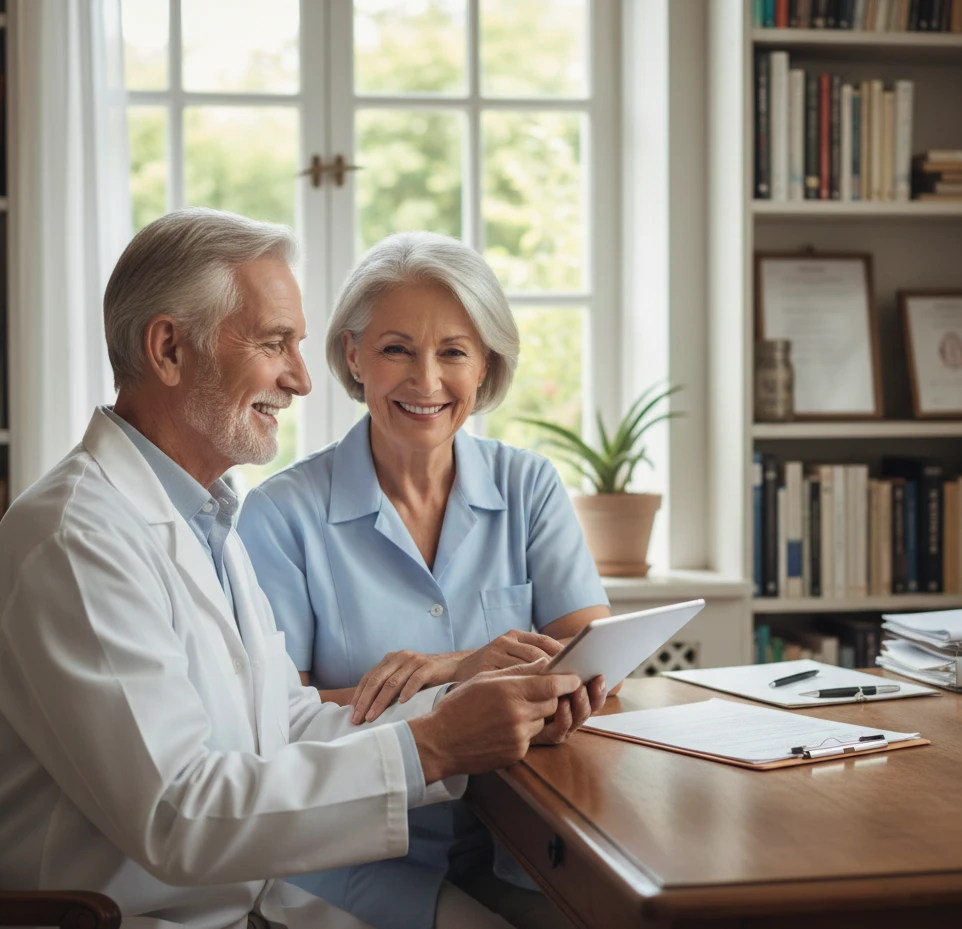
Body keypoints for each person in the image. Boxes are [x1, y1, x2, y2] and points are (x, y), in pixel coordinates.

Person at [0, 209, 601, 929]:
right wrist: (434, 743)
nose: (299, 379)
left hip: (250, 900)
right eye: (273, 342)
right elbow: (177, 812)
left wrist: (456, 713)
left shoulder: (206, 518)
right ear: (168, 349)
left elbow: (282, 723)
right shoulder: (74, 539)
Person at [237, 231, 613, 929]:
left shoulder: (528, 486)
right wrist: (462, 682)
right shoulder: (280, 514)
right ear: (353, 354)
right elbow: (271, 720)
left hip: (522, 838)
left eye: (453, 352)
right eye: (396, 349)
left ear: (486, 364)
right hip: (355, 854)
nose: (427, 381)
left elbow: (593, 661)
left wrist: (450, 667)